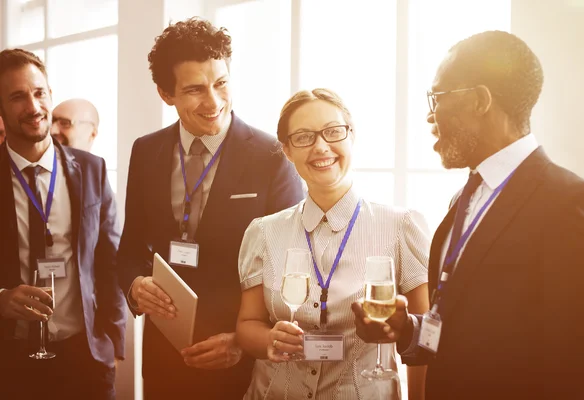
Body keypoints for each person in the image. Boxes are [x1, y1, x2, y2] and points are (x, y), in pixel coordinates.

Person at [352, 30, 584, 400]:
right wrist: (407, 329)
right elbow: (470, 329)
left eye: (436, 97)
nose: (429, 115)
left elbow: (582, 363)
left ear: (480, 100)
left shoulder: (571, 203)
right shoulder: (463, 199)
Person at [117, 18, 304, 399]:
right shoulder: (146, 150)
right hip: (164, 358)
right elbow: (131, 247)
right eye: (195, 90)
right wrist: (135, 286)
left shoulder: (271, 156)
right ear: (165, 94)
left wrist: (243, 339)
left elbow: (293, 266)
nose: (214, 102)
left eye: (221, 84)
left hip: (240, 364)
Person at [236, 88, 430, 400]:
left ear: (351, 136)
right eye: (303, 137)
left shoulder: (402, 226)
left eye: (333, 132)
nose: (321, 147)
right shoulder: (263, 232)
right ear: (286, 149)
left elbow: (423, 343)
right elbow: (247, 325)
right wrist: (269, 339)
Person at [0, 49, 127, 400]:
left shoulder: (92, 170)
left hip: (85, 356)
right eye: (17, 97)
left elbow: (111, 259)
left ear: (50, 94)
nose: (33, 106)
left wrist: (114, 343)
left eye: (39, 93)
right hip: (11, 360)